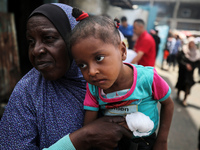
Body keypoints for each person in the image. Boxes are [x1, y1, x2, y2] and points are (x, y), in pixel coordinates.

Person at [0, 3, 133, 150]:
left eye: (48, 38)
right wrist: (82, 138)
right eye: (31, 42)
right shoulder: (27, 93)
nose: (36, 50)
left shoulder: (112, 81)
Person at [70, 8, 174, 150]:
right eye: (82, 65)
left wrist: (162, 141)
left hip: (145, 143)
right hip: (112, 143)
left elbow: (168, 104)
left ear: (122, 51)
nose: (92, 72)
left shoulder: (148, 78)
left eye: (99, 58)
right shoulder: (94, 87)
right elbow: (90, 129)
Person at [176, 37, 200, 106]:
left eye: (193, 43)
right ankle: (178, 94)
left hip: (190, 73)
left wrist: (193, 67)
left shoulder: (196, 53)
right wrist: (185, 65)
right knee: (181, 83)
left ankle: (184, 99)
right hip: (182, 71)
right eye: (190, 43)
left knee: (188, 85)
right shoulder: (183, 50)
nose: (191, 45)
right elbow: (179, 59)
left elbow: (197, 63)